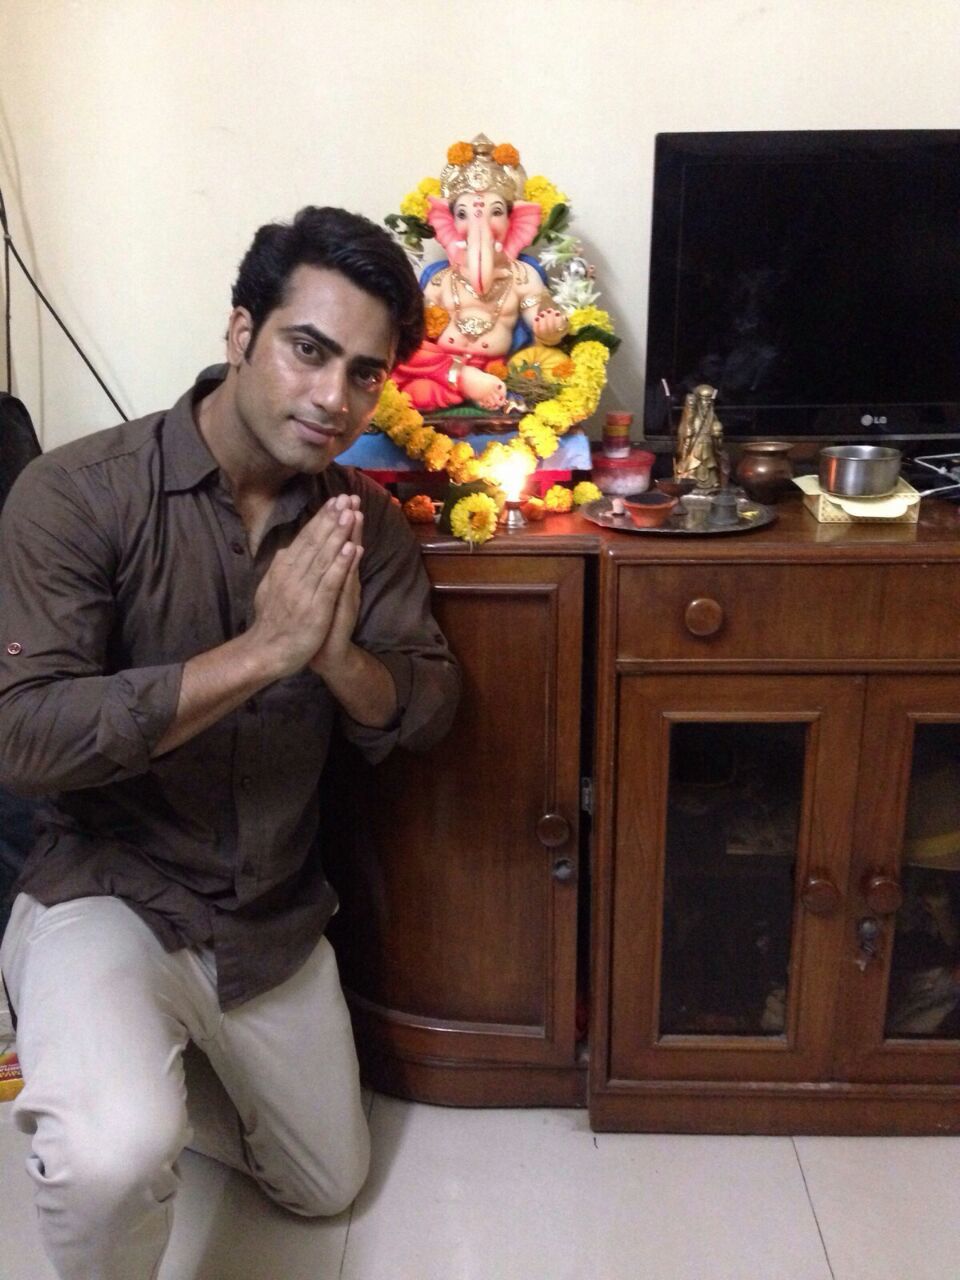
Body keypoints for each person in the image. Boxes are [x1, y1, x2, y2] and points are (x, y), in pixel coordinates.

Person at [0, 205, 461, 1280]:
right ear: (242, 331)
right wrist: (262, 652)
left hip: (269, 912)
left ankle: (148, 1067)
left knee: (326, 1183)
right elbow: (24, 737)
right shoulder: (76, 493)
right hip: (109, 891)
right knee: (111, 1154)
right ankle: (95, 1058)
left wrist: (336, 658)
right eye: (308, 350)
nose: (333, 397)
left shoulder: (362, 523)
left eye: (364, 374)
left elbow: (427, 704)